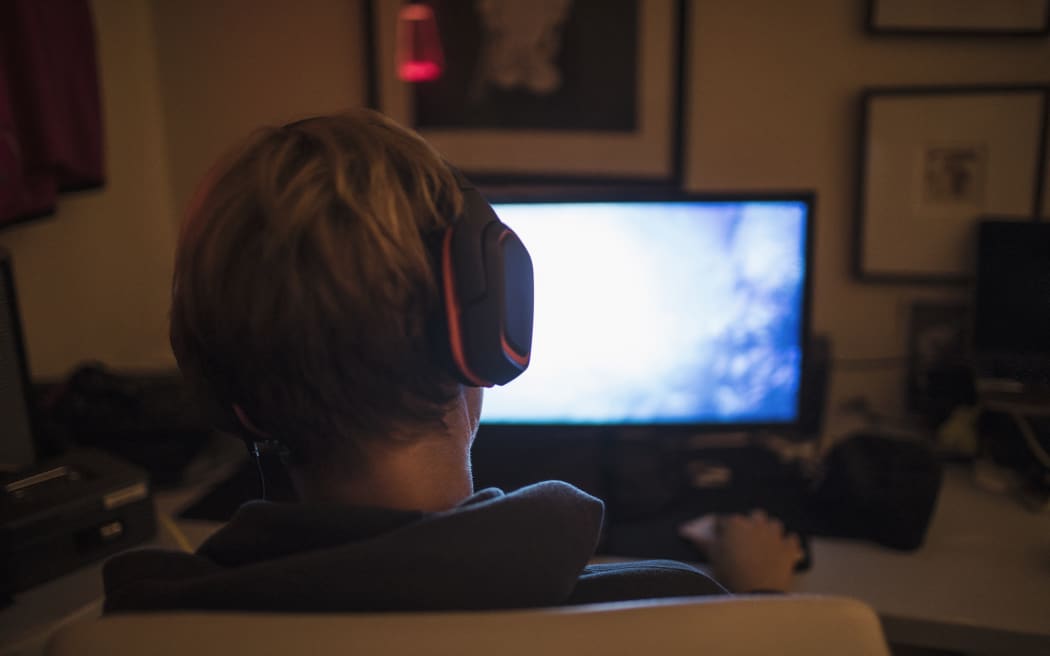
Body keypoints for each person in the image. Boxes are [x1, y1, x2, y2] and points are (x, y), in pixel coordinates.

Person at [102, 109, 803, 613]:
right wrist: (765, 598)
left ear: (231, 395)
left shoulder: (136, 626)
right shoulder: (676, 613)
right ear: (488, 330)